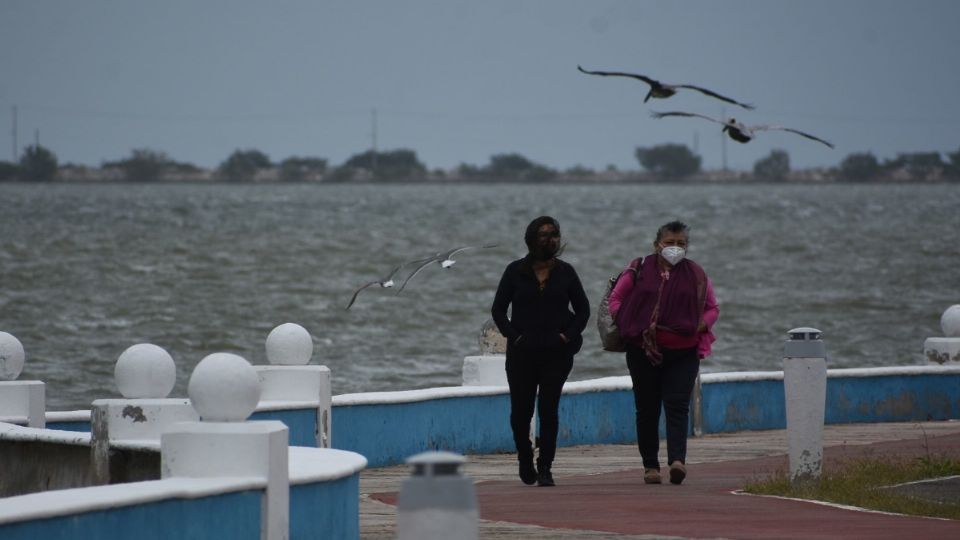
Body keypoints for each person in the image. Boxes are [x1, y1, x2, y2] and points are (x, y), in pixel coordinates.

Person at [608, 220, 719, 485]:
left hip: (683, 351)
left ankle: (677, 461)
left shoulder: (696, 274)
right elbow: (616, 300)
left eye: (681, 244)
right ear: (657, 244)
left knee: (678, 405)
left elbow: (712, 307)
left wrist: (699, 325)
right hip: (642, 351)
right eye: (670, 242)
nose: (675, 248)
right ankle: (650, 466)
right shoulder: (638, 269)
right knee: (646, 409)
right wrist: (631, 324)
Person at [491, 216, 590, 487]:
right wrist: (515, 337)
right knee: (520, 412)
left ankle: (545, 465)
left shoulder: (566, 272)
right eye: (544, 234)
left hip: (556, 354)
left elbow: (583, 310)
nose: (551, 239)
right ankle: (525, 455)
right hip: (522, 353)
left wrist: (566, 336)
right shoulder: (515, 271)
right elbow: (498, 310)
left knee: (549, 409)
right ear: (531, 239)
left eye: (554, 234)